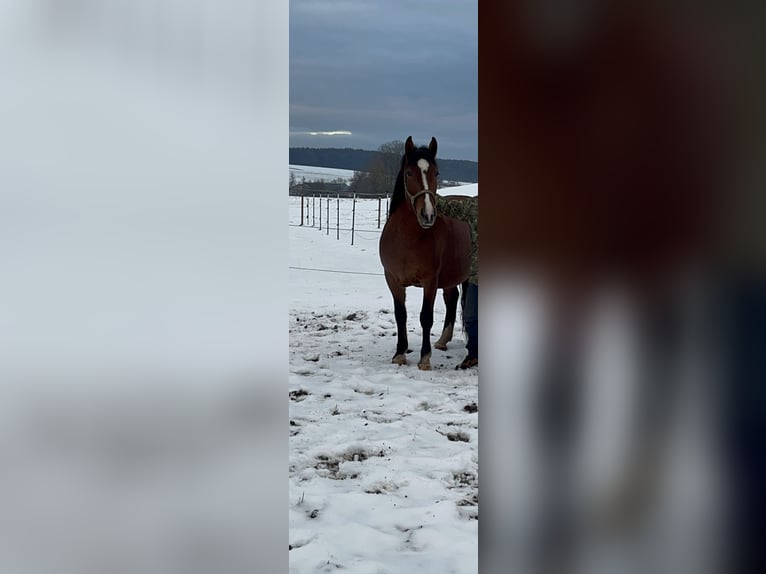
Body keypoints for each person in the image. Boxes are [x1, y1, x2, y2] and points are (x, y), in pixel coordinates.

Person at [436, 193, 478, 369]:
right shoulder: (475, 206)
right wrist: (429, 192)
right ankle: (475, 354)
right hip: (478, 275)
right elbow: (452, 209)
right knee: (470, 316)